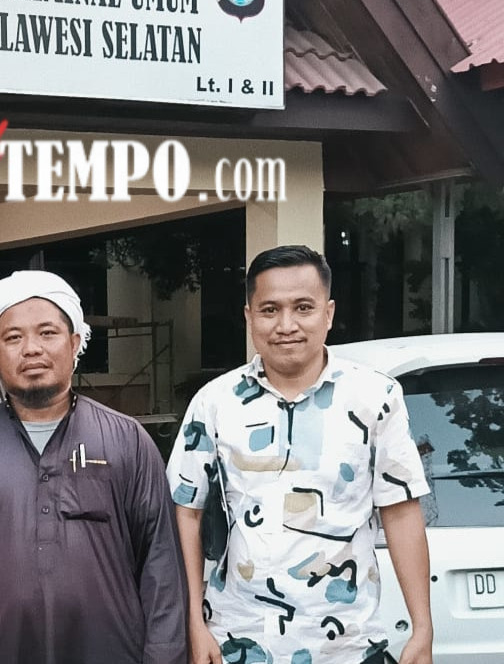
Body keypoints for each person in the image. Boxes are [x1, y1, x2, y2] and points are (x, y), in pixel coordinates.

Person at [167, 245, 433, 664]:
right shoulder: (214, 403)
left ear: (328, 314)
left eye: (303, 308)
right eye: (270, 310)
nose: (286, 325)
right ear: (249, 317)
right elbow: (186, 513)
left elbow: (400, 511)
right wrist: (193, 625)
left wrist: (422, 627)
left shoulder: (375, 398)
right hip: (239, 642)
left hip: (348, 647)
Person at [0, 270, 187, 664]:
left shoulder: (127, 441)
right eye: (13, 338)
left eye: (47, 333)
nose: (31, 349)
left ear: (75, 342)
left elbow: (161, 564)